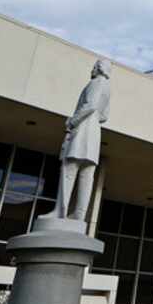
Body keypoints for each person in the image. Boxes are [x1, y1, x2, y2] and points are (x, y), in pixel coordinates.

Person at [51, 58, 111, 223]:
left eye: (94, 67)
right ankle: (79, 215)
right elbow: (104, 116)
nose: (92, 69)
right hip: (94, 133)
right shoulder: (107, 88)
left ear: (98, 68)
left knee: (70, 169)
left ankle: (60, 212)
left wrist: (72, 121)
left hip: (83, 129)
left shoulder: (95, 83)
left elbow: (90, 105)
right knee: (87, 174)